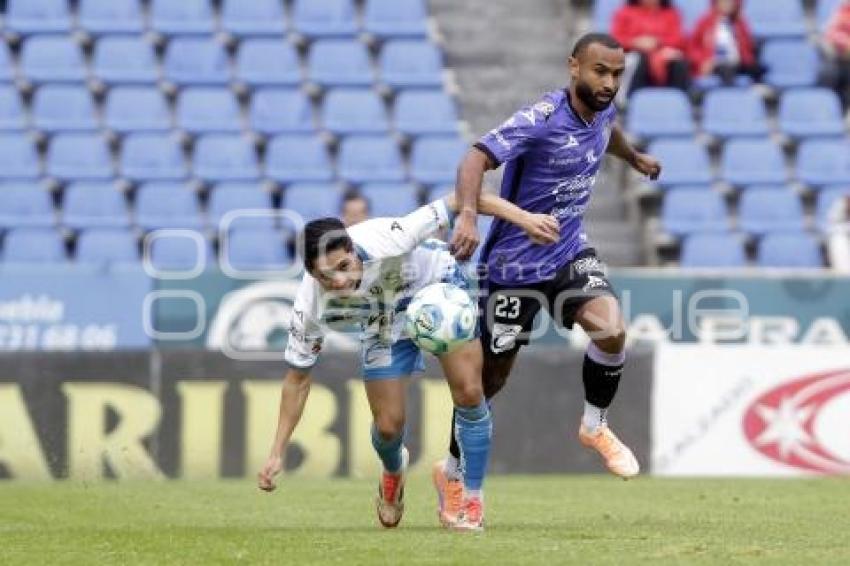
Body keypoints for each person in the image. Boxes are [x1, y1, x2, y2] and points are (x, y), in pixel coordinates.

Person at [438, 33, 662, 525]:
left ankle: (593, 424)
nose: (609, 83)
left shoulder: (602, 109)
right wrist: (469, 217)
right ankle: (452, 473)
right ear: (573, 67)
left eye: (617, 74)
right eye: (600, 72)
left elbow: (609, 130)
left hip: (566, 251)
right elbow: (475, 156)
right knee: (486, 384)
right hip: (513, 265)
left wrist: (634, 158)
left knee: (611, 328)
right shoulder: (540, 119)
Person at [256, 191, 560, 532]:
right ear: (312, 275)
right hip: (383, 320)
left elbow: (464, 197)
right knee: (388, 427)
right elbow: (297, 379)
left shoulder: (390, 236)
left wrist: (525, 218)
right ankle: (393, 471)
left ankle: (470, 498)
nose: (338, 282)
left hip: (436, 288)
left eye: (344, 267)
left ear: (354, 251)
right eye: (326, 277)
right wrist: (276, 452)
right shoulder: (310, 304)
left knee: (470, 393)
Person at [611, 0, 689, 93]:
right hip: (634, 55)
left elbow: (678, 39)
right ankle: (633, 100)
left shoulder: (671, 13)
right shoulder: (625, 12)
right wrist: (634, 43)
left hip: (664, 54)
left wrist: (658, 43)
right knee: (640, 60)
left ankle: (678, 101)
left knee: (679, 63)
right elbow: (615, 39)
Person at [689, 0, 763, 86]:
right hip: (715, 63)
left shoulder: (738, 23)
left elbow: (747, 45)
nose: (727, 4)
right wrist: (702, 62)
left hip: (736, 62)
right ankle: (730, 95)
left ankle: (759, 91)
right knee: (726, 69)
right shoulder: (705, 22)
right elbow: (693, 47)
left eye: (730, 2)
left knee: (756, 67)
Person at [820, 0, 850, 108]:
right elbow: (831, 34)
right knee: (829, 71)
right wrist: (845, 43)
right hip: (842, 59)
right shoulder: (844, 10)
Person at [827, 194, 850, 273]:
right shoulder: (842, 203)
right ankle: (845, 276)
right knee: (838, 238)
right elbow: (832, 224)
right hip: (840, 237)